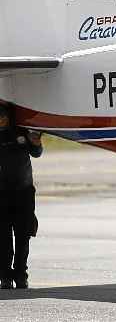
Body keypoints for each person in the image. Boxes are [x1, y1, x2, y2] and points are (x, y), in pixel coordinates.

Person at [0, 102, 42, 289]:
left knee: (23, 235)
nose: (1, 119)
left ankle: (21, 274)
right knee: (3, 237)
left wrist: (36, 142)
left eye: (3, 116)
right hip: (2, 194)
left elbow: (37, 153)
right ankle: (5, 276)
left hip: (24, 192)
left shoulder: (22, 131)